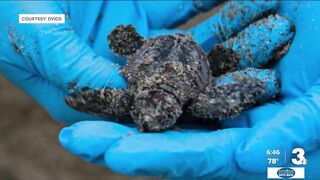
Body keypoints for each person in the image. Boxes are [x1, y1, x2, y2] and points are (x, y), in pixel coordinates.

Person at [0, 1, 319, 179]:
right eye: (144, 117)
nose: (146, 123)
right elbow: (107, 97)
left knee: (253, 81)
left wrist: (265, 84)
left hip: (199, 64)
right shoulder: (131, 95)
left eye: (154, 118)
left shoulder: (198, 101)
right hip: (156, 55)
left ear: (177, 111)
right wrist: (30, 14)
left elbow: (233, 92)